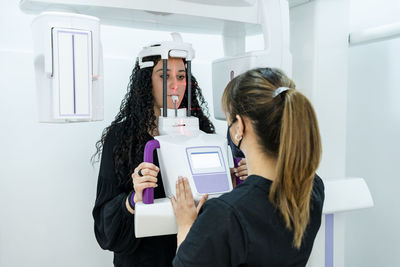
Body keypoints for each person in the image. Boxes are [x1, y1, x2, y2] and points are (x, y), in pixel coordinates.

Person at [171, 67, 325, 267]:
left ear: (240, 127)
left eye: (228, 121)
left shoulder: (224, 214)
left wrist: (185, 225)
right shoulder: (313, 188)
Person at [91, 44, 217, 266]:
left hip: (190, 257)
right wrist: (133, 199)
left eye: (181, 76)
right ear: (146, 81)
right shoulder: (121, 138)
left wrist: (234, 177)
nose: (175, 86)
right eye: (164, 75)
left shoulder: (202, 134)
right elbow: (104, 227)